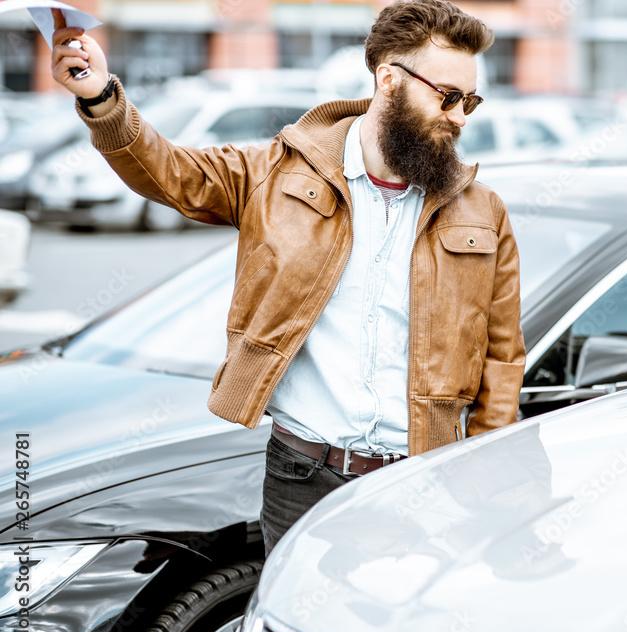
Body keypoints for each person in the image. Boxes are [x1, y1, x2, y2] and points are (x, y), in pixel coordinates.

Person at [50, 0, 525, 557]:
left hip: (425, 485)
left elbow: (502, 360)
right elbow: (171, 174)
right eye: (447, 97)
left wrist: (482, 479)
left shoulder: (484, 212)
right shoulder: (275, 172)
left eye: (469, 101)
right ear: (389, 80)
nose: (460, 117)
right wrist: (102, 98)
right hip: (303, 479)